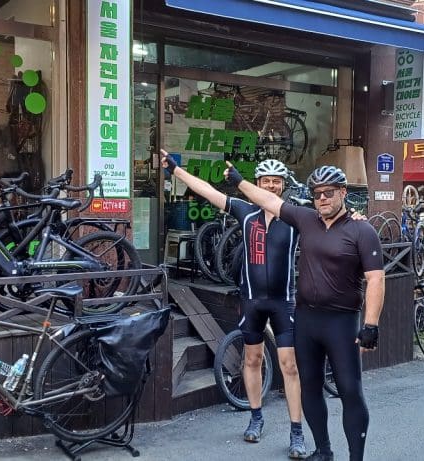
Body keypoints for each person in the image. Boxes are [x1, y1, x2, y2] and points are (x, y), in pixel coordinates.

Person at [224, 162, 385, 461]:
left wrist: (371, 325)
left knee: (350, 391)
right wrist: (239, 182)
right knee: (310, 389)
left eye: (328, 192)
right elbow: (269, 201)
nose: (322, 198)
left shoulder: (362, 230)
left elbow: (376, 278)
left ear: (343, 193)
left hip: (342, 322)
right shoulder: (306, 219)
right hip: (307, 320)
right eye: (316, 194)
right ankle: (323, 451)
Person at [158, 150, 308, 458]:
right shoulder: (245, 212)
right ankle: (255, 417)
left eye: (277, 182)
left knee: (290, 367)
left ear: (283, 186)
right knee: (251, 360)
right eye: (266, 181)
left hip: (284, 303)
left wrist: (355, 217)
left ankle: (296, 432)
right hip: (251, 300)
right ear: (257, 183)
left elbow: (331, 218)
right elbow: (208, 191)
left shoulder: (294, 215)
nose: (271, 186)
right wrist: (175, 170)